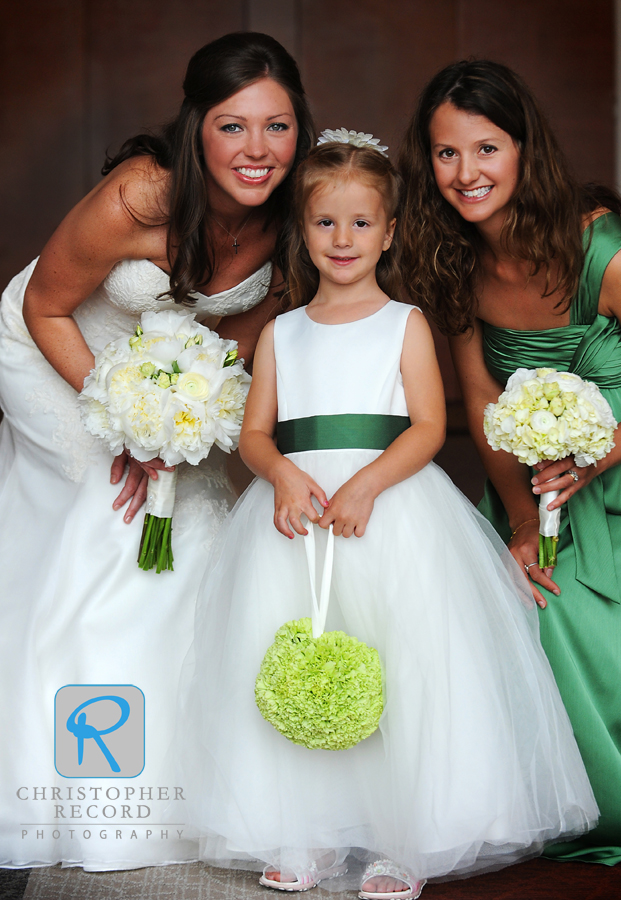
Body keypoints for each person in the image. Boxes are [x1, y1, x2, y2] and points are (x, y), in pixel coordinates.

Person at [181, 135, 598, 899]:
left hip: (388, 511)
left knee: (400, 667)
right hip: (298, 516)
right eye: (325, 224)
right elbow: (253, 432)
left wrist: (369, 484)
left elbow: (430, 428)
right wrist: (276, 475)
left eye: (361, 224)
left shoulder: (404, 323)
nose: (343, 241)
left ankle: (400, 841)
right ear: (301, 232)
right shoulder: (281, 332)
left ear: (392, 229)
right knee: (297, 663)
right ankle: (301, 831)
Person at [0, 32, 315, 870]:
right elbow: (45, 307)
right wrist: (129, 429)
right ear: (196, 128)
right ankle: (74, 786)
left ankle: (183, 780)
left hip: (174, 373)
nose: (256, 151)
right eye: (232, 125)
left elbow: (240, 344)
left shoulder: (294, 223)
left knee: (196, 519)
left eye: (277, 127)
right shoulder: (141, 195)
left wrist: (185, 425)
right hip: (55, 349)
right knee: (108, 519)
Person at [399, 58, 621, 864]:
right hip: (528, 490)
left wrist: (593, 458)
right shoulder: (450, 259)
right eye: (445, 153)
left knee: (611, 652)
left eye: (485, 148)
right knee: (519, 611)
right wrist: (517, 520)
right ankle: (551, 807)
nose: (465, 173)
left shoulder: (606, 254)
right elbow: (479, 401)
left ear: (523, 149)